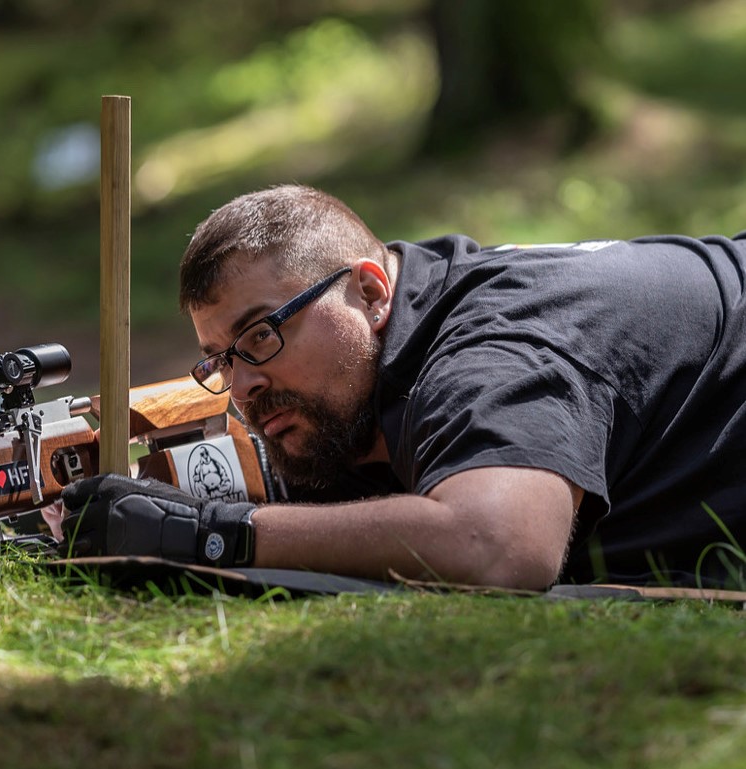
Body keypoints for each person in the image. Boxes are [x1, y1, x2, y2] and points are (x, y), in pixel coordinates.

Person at [59, 184, 746, 590]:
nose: (243, 386)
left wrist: (205, 535)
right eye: (220, 360)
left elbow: (499, 544)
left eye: (262, 335)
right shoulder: (384, 354)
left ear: (370, 289)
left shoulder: (491, 349)